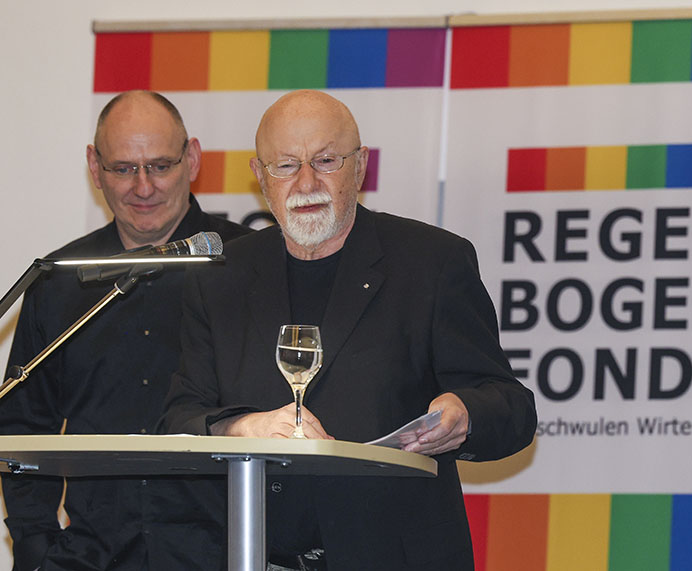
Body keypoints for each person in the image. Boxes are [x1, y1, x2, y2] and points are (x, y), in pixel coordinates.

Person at [159, 89, 537, 571]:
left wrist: (466, 413)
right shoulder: (221, 276)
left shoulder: (432, 263)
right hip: (254, 556)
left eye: (326, 161)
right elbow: (179, 418)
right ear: (260, 176)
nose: (306, 183)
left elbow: (511, 406)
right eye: (286, 165)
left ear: (360, 167)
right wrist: (242, 427)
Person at [0, 90, 251, 571]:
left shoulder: (249, 265)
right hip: (90, 556)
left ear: (192, 159)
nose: (143, 187)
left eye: (160, 166)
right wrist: (35, 547)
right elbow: (23, 428)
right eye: (123, 168)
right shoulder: (59, 278)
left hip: (226, 553)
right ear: (94, 168)